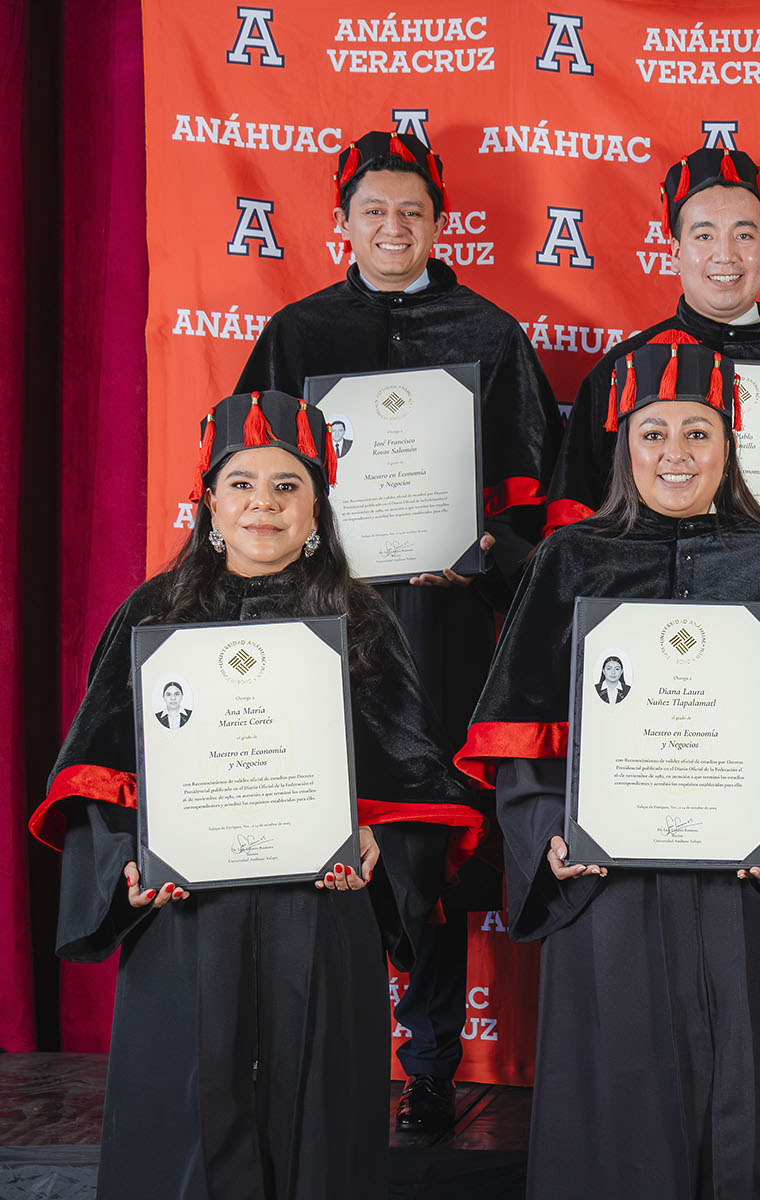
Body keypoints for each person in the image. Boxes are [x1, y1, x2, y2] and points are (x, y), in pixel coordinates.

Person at [31, 390, 481, 1199]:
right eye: (242, 483)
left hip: (318, 906)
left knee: (316, 1118)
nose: (262, 505)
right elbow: (94, 772)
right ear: (209, 501)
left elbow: (415, 775)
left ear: (317, 510)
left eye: (286, 486)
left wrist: (384, 842)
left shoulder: (364, 619)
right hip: (184, 908)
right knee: (187, 1120)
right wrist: (127, 864)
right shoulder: (151, 612)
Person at [456, 340, 760, 1199]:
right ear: (623, 447)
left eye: (697, 433)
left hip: (741, 879)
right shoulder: (569, 562)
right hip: (610, 879)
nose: (675, 455)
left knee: (744, 1092)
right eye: (653, 434)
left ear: (730, 447)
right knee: (622, 1096)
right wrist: (549, 836)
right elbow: (515, 735)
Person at [235, 129, 562, 1131]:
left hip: (445, 632)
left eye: (412, 212)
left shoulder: (493, 335)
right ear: (342, 222)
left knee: (424, 844)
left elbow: (538, 508)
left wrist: (476, 550)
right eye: (374, 210)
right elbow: (243, 490)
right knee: (314, 824)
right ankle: (301, 1063)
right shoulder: (295, 336)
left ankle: (426, 1066)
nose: (393, 227)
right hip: (324, 634)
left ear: (439, 222)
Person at [544, 145, 760, 604]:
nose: (725, 256)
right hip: (642, 606)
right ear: (674, 251)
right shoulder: (624, 371)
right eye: (703, 235)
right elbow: (572, 522)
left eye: (743, 235)